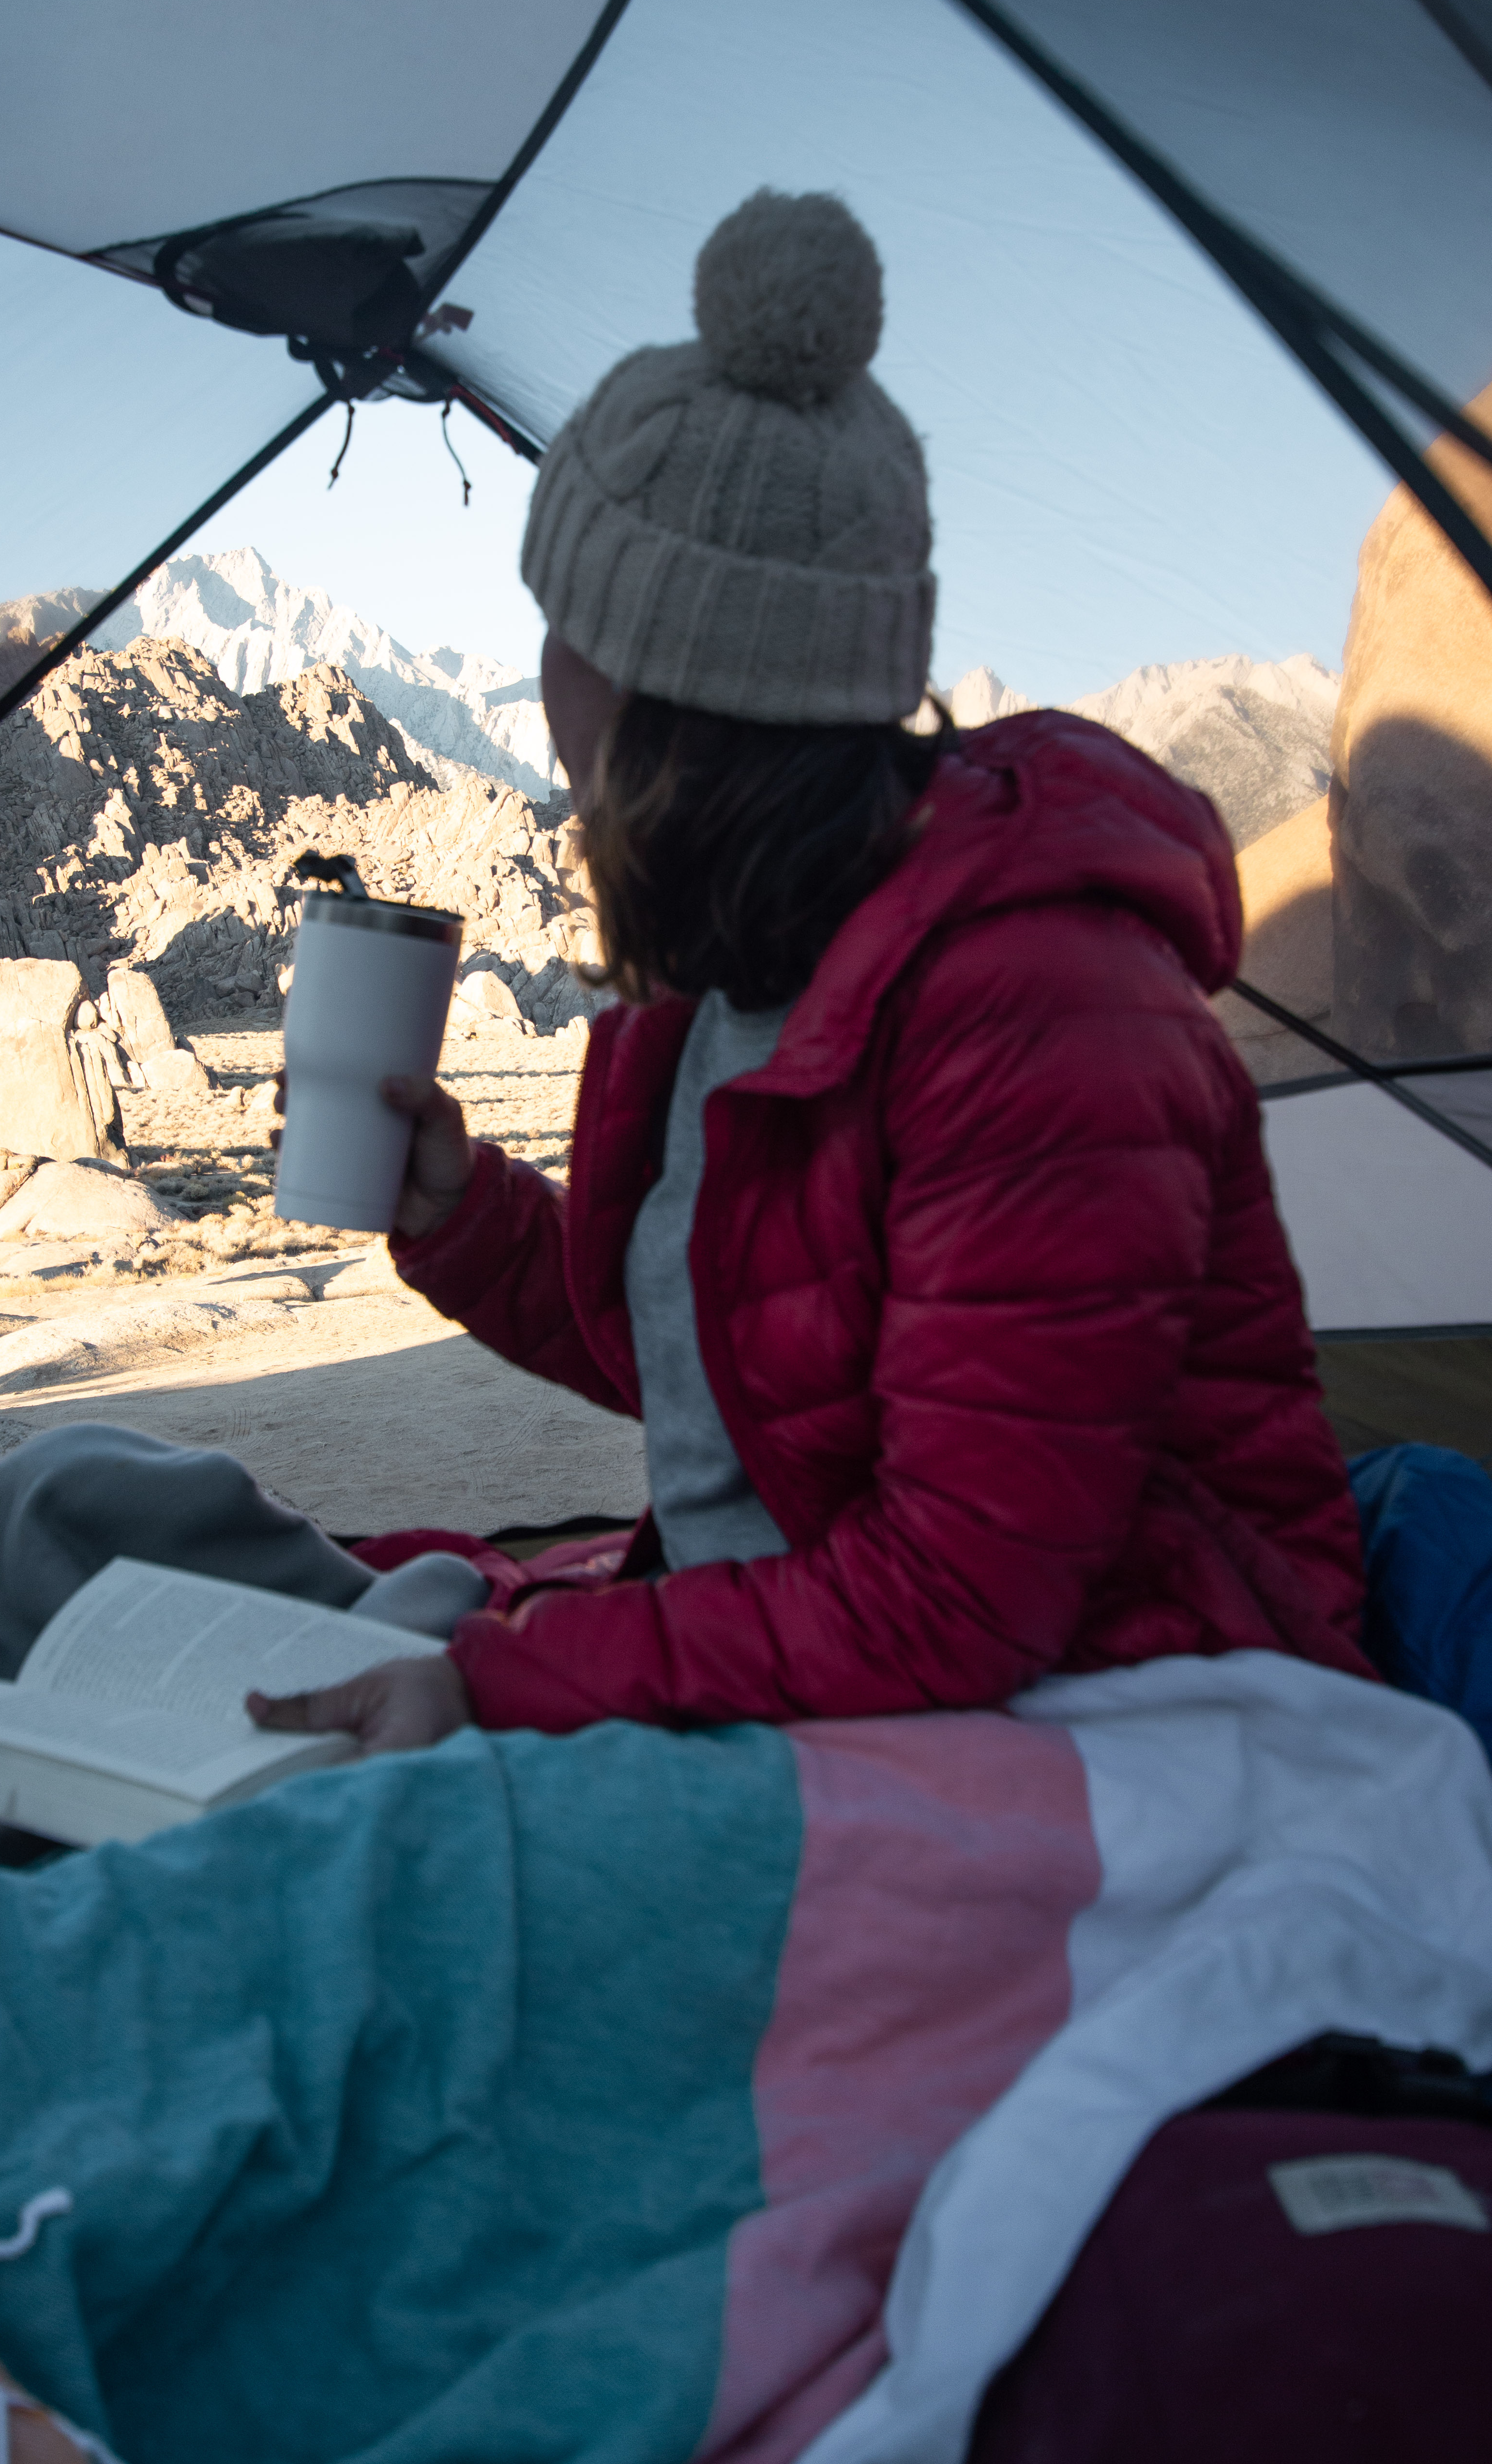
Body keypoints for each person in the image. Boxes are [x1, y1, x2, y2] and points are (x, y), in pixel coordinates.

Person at [254, 188, 1369, 1757]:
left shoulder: (1046, 1011)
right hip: (823, 1671)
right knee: (108, 1536)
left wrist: (515, 1678)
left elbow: (963, 1601)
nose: (544, 681)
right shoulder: (729, 970)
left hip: (1140, 1715)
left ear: (668, 685)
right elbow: (737, 1377)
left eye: (563, 628)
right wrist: (462, 1217)